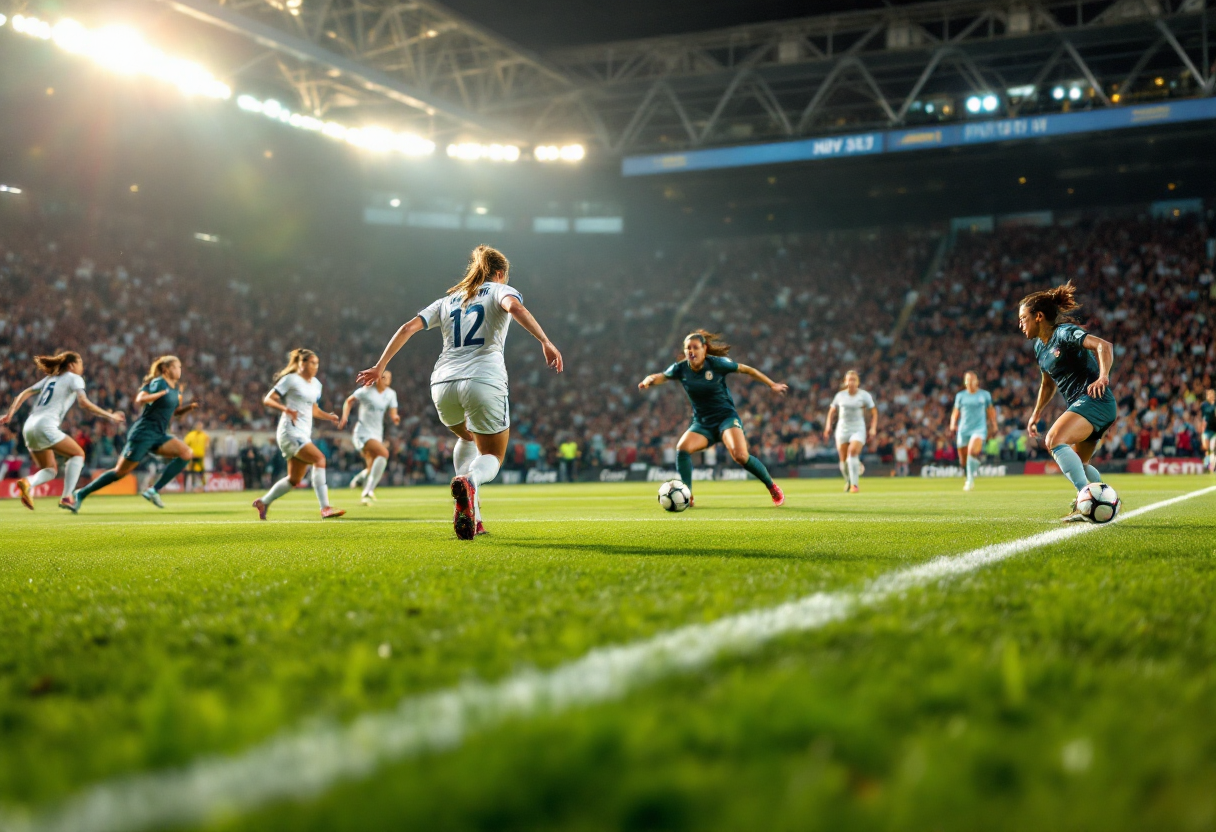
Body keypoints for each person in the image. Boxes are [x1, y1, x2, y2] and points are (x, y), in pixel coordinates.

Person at [357, 245, 563, 539]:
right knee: (492, 454)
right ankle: (470, 479)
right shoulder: (499, 290)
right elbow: (516, 308)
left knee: (466, 435)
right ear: (500, 273)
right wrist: (545, 340)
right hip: (484, 379)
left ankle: (474, 518)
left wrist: (379, 367)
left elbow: (406, 328)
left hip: (442, 383)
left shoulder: (447, 299)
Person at [638, 330, 787, 507]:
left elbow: (748, 370)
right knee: (682, 448)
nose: (691, 351)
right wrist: (649, 379)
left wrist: (772, 384)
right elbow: (662, 376)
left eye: (695, 347)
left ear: (705, 349)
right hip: (702, 424)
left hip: (726, 419)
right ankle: (687, 495)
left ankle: (772, 487)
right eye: (688, 348)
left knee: (740, 456)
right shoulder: (681, 368)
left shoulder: (717, 364)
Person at [1017, 282, 1118, 522]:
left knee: (1053, 440)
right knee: (1081, 466)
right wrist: (1036, 413)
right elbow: (1048, 383)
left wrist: (1103, 376)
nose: (1020, 324)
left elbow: (1104, 346)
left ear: (1038, 316)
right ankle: (1107, 502)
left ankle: (1084, 502)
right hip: (1085, 405)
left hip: (1095, 401)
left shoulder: (1064, 333)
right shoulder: (1040, 347)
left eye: (1023, 318)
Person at [0, 351, 125, 511]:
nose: (82, 367)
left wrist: (10, 414)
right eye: (80, 363)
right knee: (78, 454)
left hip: (29, 426)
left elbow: (25, 393)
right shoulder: (74, 378)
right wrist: (110, 416)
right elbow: (83, 402)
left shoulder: (50, 378)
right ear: (72, 365)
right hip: (46, 424)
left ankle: (27, 483)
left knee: (50, 470)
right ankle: (67, 496)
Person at [70, 355, 198, 511]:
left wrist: (188, 408)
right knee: (119, 472)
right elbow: (140, 398)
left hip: (159, 434)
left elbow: (176, 411)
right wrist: (158, 395)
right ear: (166, 369)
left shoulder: (176, 388)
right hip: (143, 433)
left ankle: (153, 490)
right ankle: (81, 494)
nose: (180, 370)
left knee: (186, 453)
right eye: (176, 367)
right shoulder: (158, 383)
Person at [253, 348, 345, 520]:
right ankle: (325, 508)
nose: (315, 366)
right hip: (290, 431)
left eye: (317, 363)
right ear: (301, 363)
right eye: (311, 362)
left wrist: (328, 416)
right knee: (320, 459)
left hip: (303, 433)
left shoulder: (317, 385)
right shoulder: (291, 379)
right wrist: (285, 409)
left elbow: (313, 409)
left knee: (294, 479)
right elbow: (268, 399)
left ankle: (264, 502)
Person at [339, 369, 400, 505]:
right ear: (378, 378)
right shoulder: (366, 391)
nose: (386, 380)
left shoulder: (391, 394)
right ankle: (368, 491)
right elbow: (349, 401)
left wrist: (395, 417)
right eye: (383, 377)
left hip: (377, 433)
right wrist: (344, 417)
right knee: (383, 453)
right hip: (363, 432)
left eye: (389, 378)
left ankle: (359, 479)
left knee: (372, 466)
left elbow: (393, 411)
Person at [823, 370, 876, 493]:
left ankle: (855, 485)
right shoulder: (840, 396)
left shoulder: (864, 395)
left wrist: (872, 428)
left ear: (858, 382)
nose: (851, 382)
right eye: (849, 379)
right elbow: (832, 411)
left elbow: (874, 412)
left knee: (852, 452)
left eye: (854, 379)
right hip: (842, 429)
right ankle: (849, 480)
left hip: (858, 428)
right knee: (843, 462)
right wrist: (827, 427)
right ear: (845, 382)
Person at [949, 371, 998, 491]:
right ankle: (974, 466)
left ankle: (970, 481)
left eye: (972, 380)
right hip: (963, 430)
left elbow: (990, 410)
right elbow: (956, 412)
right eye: (968, 380)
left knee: (971, 451)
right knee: (963, 461)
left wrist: (994, 424)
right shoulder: (960, 396)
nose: (970, 382)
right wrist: (952, 423)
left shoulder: (985, 395)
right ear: (965, 382)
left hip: (979, 429)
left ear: (977, 381)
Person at [183, 422, 211, 492]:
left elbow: (207, 447)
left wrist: (205, 453)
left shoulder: (205, 436)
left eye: (200, 426)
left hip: (200, 457)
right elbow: (185, 445)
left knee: (202, 472)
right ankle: (187, 488)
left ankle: (205, 487)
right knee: (189, 472)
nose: (199, 428)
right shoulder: (190, 435)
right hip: (191, 456)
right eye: (198, 426)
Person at [1199, 389, 1216, 474]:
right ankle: (1208, 464)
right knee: (1207, 449)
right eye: (1209, 395)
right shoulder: (1204, 405)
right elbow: (1205, 415)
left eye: (1212, 395)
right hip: (1206, 430)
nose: (1211, 396)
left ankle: (1212, 467)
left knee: (1212, 448)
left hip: (1214, 431)